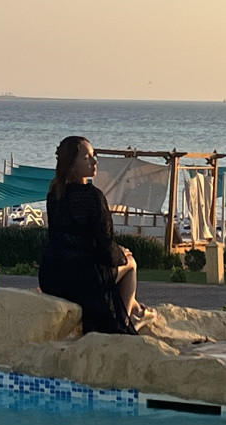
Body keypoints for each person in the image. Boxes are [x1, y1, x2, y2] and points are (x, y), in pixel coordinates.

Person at [39, 136, 156, 334]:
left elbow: (64, 237)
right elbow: (105, 245)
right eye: (87, 158)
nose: (94, 161)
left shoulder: (54, 192)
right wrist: (121, 254)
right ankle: (123, 323)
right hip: (81, 277)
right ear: (72, 165)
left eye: (94, 156)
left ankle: (137, 310)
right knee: (130, 264)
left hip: (51, 275)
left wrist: (115, 251)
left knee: (115, 264)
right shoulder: (92, 196)